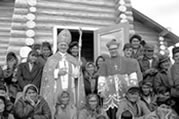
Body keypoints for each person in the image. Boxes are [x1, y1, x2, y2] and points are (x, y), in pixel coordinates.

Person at [40, 29, 85, 117]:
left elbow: (76, 76)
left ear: (68, 47)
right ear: (58, 46)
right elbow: (46, 74)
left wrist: (77, 70)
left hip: (70, 87)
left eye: (65, 45)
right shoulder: (52, 59)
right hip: (56, 87)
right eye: (61, 45)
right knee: (57, 108)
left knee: (70, 108)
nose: (63, 47)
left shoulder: (72, 59)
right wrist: (57, 72)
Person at [97, 39, 140, 119]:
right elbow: (101, 78)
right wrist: (101, 90)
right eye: (111, 49)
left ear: (118, 49)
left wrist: (133, 88)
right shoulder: (105, 63)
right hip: (110, 94)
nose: (113, 51)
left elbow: (132, 75)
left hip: (125, 92)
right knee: (112, 114)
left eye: (114, 49)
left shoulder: (127, 61)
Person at [170, 47, 179, 114]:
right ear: (173, 58)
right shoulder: (172, 68)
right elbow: (173, 83)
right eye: (176, 56)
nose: (178, 58)